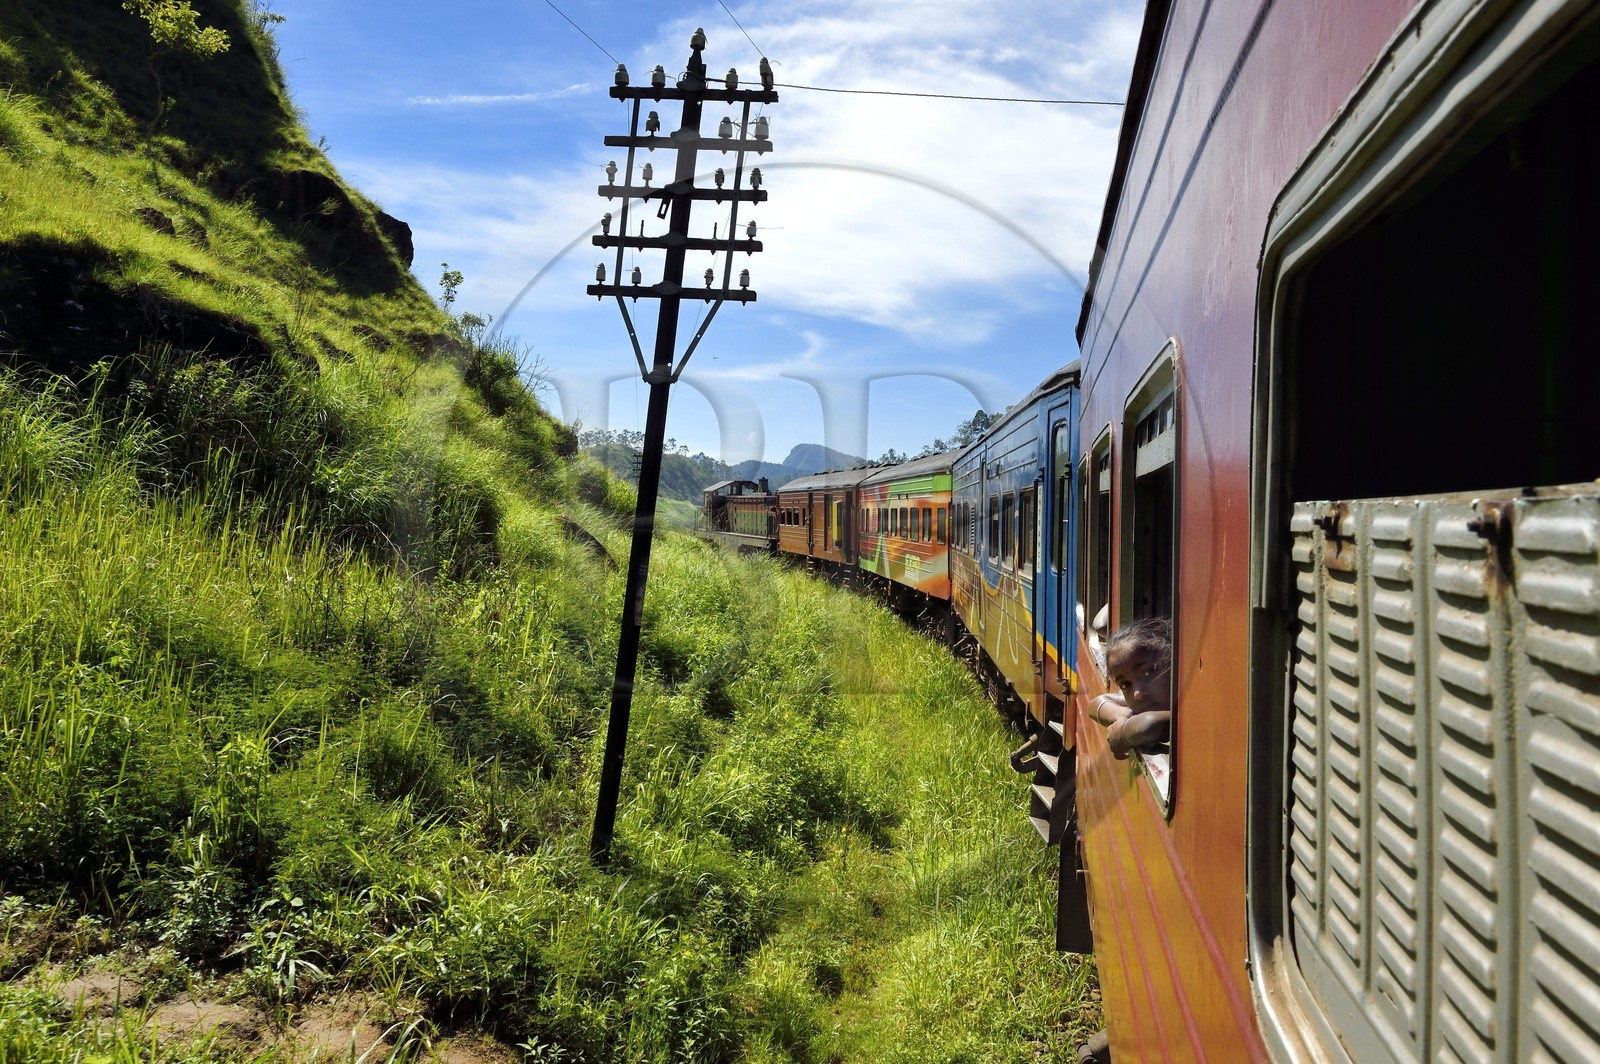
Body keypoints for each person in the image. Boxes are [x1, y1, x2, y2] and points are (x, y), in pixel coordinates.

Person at [1086, 617, 1172, 759]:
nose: (1137, 693)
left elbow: (1148, 726)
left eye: (1148, 672)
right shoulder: (1151, 699)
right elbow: (1095, 703)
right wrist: (1123, 715)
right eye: (1125, 685)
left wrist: (1123, 734)